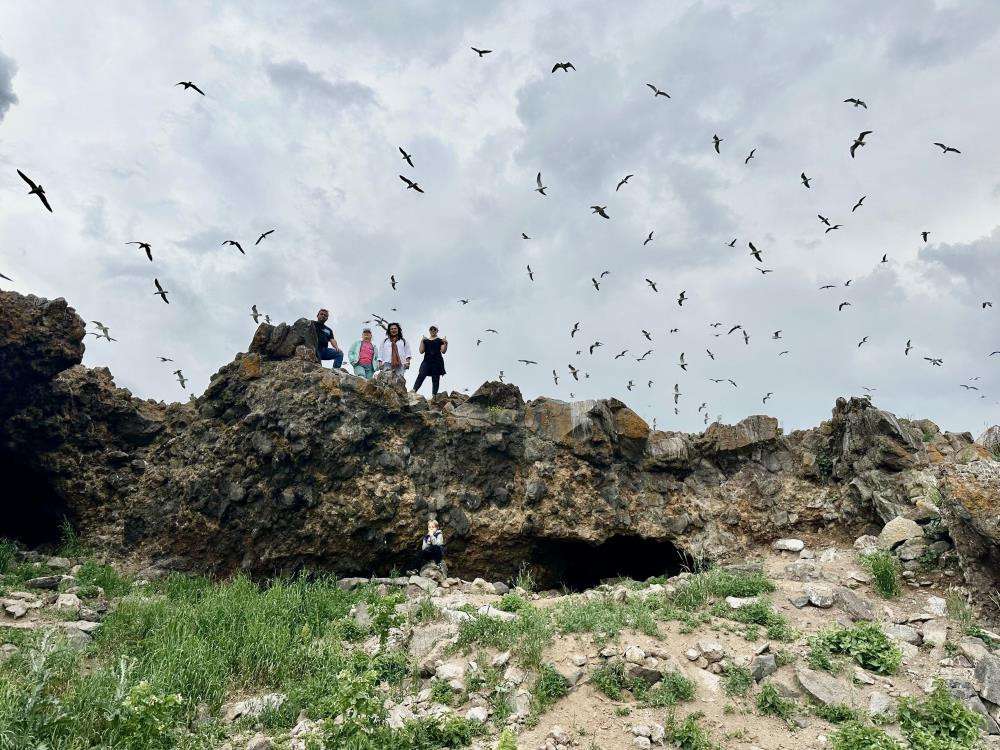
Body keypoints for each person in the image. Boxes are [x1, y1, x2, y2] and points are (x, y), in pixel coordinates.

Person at [413, 325, 448, 395]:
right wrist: (422, 341)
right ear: (429, 330)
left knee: (435, 378)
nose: (432, 330)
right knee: (421, 374)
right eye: (431, 329)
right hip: (427, 361)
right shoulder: (425, 340)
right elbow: (421, 351)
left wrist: (446, 343)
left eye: (434, 329)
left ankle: (434, 395)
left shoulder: (440, 340)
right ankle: (413, 391)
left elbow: (443, 351)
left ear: (437, 331)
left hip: (437, 362)